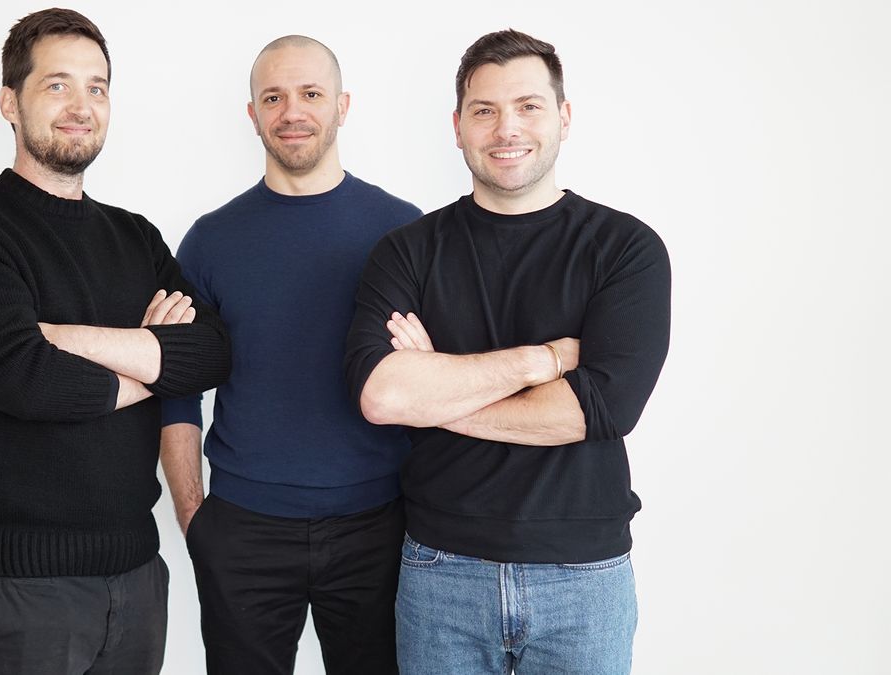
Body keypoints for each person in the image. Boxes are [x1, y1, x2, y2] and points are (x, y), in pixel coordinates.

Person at [344, 29, 671, 675]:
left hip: (583, 573)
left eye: (528, 106)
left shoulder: (626, 249)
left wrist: (435, 390)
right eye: (484, 110)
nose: (505, 129)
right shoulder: (406, 250)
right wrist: (540, 362)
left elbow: (596, 410)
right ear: (458, 125)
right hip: (442, 568)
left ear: (564, 117)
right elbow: (381, 395)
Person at [0, 9, 230, 674]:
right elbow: (24, 378)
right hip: (24, 588)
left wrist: (61, 337)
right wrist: (152, 356)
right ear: (10, 102)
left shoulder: (136, 236)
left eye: (97, 87)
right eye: (57, 86)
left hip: (138, 576)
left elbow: (211, 353)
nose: (81, 106)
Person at [160, 35, 422, 675]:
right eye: (272, 97)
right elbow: (176, 389)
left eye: (310, 94)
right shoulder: (210, 240)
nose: (291, 112)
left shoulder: (403, 230)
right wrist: (196, 519)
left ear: (342, 106)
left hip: (378, 526)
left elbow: (432, 379)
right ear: (252, 113)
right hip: (245, 528)